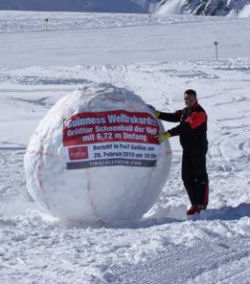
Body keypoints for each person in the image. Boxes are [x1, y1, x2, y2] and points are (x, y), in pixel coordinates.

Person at [150, 89, 209, 215]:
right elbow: (175, 117)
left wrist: (167, 134)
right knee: (187, 177)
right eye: (186, 99)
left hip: (198, 149)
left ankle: (202, 205)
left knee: (200, 177)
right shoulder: (185, 111)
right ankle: (195, 204)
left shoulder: (199, 113)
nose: (188, 101)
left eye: (190, 98)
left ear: (196, 98)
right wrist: (158, 114)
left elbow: (185, 127)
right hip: (187, 149)